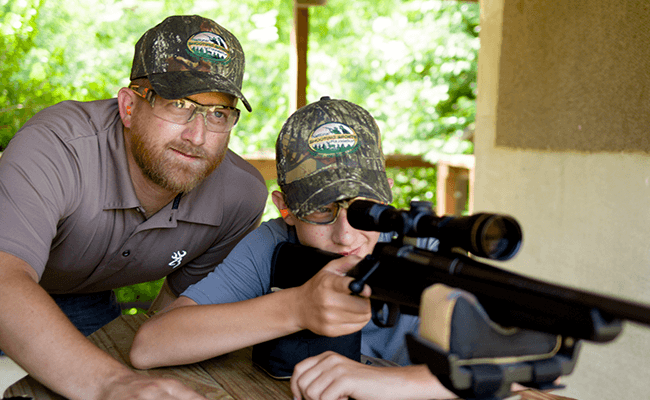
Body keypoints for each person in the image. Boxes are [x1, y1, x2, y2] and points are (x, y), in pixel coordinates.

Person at [0, 15, 267, 400]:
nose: (197, 136)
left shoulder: (239, 197)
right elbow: (5, 279)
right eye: (178, 104)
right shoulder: (56, 146)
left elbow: (173, 323)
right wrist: (113, 383)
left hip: (85, 299)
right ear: (128, 106)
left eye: (218, 114)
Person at [130, 96, 458, 400]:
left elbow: (503, 371)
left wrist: (379, 380)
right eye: (320, 210)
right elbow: (151, 345)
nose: (345, 235)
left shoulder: (425, 245)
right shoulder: (273, 245)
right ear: (285, 207)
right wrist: (296, 308)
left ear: (385, 194)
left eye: (361, 208)